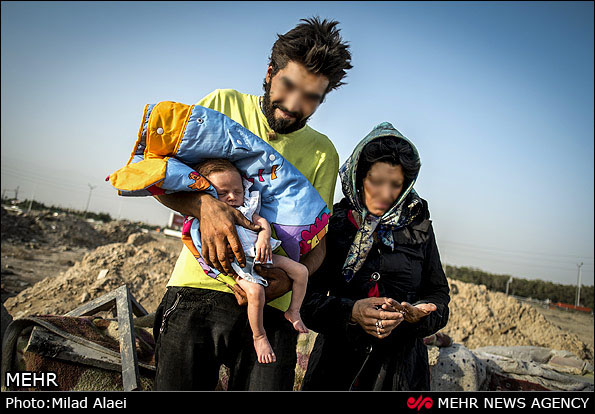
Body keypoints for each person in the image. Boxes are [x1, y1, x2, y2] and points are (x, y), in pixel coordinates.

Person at [151, 17, 352, 390]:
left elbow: (318, 243)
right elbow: (161, 181)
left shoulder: (324, 153)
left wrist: (279, 283)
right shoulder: (220, 106)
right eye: (288, 86)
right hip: (197, 290)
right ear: (269, 71)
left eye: (311, 97)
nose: (294, 105)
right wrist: (205, 207)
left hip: (271, 310)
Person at [300, 122, 450, 391]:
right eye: (376, 182)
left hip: (402, 375)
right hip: (335, 371)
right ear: (358, 177)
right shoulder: (333, 226)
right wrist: (352, 312)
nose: (385, 194)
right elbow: (306, 300)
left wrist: (420, 314)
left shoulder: (420, 230)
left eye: (395, 185)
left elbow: (439, 295)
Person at [193, 158, 310, 364]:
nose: (232, 197)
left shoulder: (246, 207)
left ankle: (294, 311)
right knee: (255, 292)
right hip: (239, 266)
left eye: (237, 191)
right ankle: (259, 336)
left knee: (301, 271)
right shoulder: (209, 216)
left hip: (264, 257)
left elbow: (261, 222)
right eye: (222, 193)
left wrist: (264, 237)